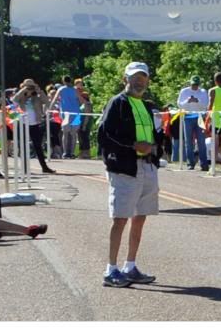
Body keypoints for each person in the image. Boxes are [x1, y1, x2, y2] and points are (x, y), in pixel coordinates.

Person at [97, 62, 161, 288]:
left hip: (146, 167)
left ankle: (130, 266)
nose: (139, 81)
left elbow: (154, 134)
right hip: (124, 167)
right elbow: (104, 135)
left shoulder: (146, 105)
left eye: (143, 77)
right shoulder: (117, 103)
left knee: (140, 216)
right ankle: (110, 270)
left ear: (148, 80)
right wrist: (133, 145)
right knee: (121, 218)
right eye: (135, 77)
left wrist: (155, 150)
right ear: (125, 79)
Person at [12, 79, 56, 173]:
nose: (30, 88)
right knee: (23, 146)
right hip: (23, 123)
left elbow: (48, 103)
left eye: (31, 87)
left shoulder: (37, 96)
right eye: (28, 86)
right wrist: (23, 90)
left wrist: (39, 91)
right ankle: (24, 169)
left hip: (35, 123)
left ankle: (44, 167)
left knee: (37, 146)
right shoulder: (20, 96)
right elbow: (14, 101)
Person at [176, 76, 209, 171]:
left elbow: (205, 105)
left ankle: (204, 164)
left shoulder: (203, 92)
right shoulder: (184, 91)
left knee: (201, 142)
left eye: (196, 84)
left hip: (199, 117)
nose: (195, 86)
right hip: (187, 118)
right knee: (188, 142)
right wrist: (188, 101)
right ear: (190, 83)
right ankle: (190, 163)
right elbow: (180, 104)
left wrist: (197, 101)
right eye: (193, 84)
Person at [51, 75, 82, 158]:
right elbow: (81, 100)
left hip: (66, 114)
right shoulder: (75, 90)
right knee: (74, 133)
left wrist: (50, 109)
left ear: (63, 81)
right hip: (76, 114)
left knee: (65, 133)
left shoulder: (61, 89)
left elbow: (54, 99)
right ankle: (71, 152)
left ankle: (65, 153)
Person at [78, 81, 94, 159]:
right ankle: (82, 153)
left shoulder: (87, 104)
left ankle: (86, 153)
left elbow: (87, 116)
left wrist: (84, 125)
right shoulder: (83, 104)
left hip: (85, 124)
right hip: (81, 123)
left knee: (84, 138)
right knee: (81, 138)